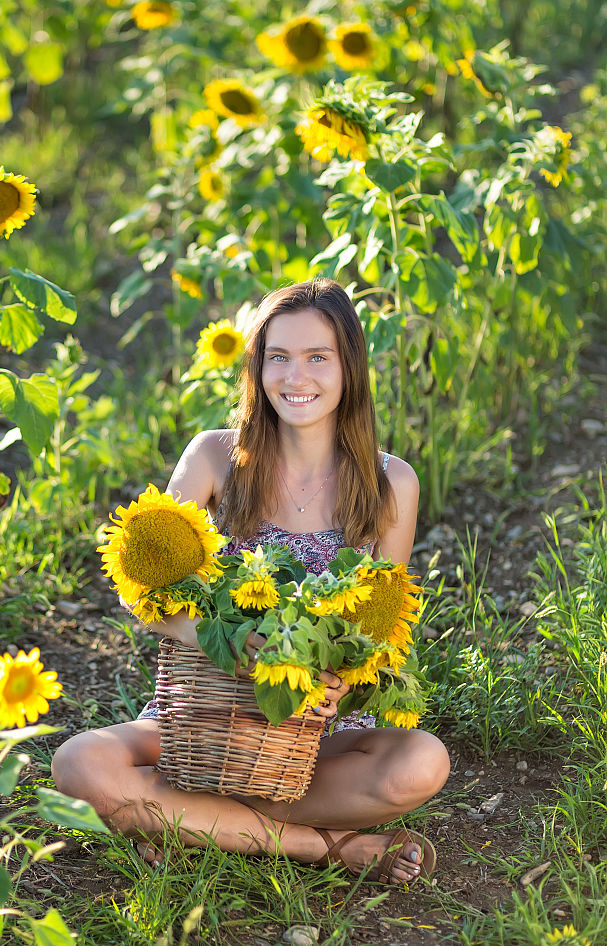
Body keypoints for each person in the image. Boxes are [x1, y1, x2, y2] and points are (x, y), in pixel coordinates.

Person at [52, 279, 450, 883]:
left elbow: (383, 632)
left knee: (421, 763)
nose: (297, 377)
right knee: (78, 764)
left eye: (318, 357)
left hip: (314, 734)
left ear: (349, 368)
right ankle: (323, 846)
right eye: (278, 357)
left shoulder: (391, 483)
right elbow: (147, 595)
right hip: (197, 724)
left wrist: (344, 679)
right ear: (257, 367)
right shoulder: (215, 458)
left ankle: (179, 819)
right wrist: (225, 641)